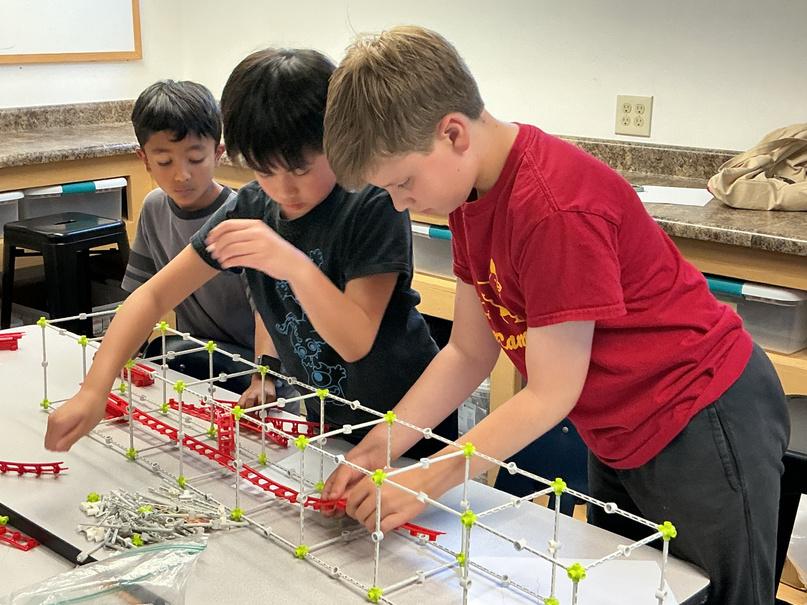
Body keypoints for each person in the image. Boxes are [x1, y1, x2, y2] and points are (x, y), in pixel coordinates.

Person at [320, 26, 789, 605]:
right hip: (617, 426)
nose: (399, 203)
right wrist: (380, 447)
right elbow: (468, 352)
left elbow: (549, 393)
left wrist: (427, 478)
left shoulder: (552, 206)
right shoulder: (468, 195)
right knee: (630, 589)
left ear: (453, 133)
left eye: (403, 184)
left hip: (699, 413)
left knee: (716, 594)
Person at [45, 47, 456, 462]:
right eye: (264, 171)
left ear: (337, 141)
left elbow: (355, 340)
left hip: (410, 421)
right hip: (328, 418)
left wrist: (292, 265)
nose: (283, 189)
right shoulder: (253, 205)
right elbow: (153, 295)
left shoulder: (374, 202)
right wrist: (94, 390)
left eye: (300, 170)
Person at [125, 79, 259, 396]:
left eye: (196, 159)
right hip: (194, 365)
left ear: (218, 153)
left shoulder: (242, 216)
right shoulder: (154, 208)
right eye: (164, 162)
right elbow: (140, 296)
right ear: (144, 160)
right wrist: (121, 354)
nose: (181, 175)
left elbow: (269, 316)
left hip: (253, 371)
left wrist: (264, 378)